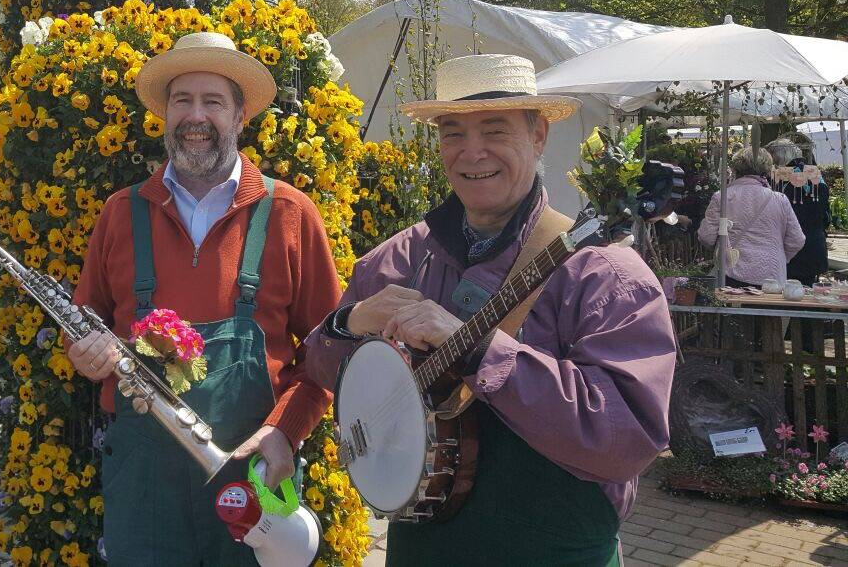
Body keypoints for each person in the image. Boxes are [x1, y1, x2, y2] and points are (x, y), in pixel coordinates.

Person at [304, 54, 677, 566]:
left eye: (494, 130)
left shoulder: (605, 276)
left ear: (538, 135)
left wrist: (480, 350)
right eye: (452, 133)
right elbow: (321, 370)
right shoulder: (396, 259)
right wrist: (348, 323)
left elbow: (626, 439)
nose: (471, 152)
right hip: (422, 551)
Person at [66, 31, 341, 565]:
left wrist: (285, 431)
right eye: (182, 100)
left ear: (241, 116)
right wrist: (85, 352)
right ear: (164, 115)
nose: (196, 116)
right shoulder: (121, 213)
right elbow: (84, 320)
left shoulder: (289, 213)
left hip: (254, 475)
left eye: (213, 101)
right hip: (142, 486)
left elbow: (330, 353)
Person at [698, 147, 805, 289]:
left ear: (737, 168)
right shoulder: (780, 200)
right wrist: (778, 255)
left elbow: (706, 236)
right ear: (767, 169)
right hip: (772, 276)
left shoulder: (723, 196)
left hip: (731, 272)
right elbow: (797, 240)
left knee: (732, 311)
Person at [766, 137, 830, 287]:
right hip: (814, 246)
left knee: (784, 296)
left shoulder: (778, 180)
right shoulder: (816, 176)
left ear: (777, 159)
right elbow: (826, 216)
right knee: (806, 292)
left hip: (788, 250)